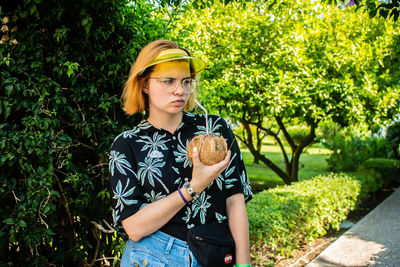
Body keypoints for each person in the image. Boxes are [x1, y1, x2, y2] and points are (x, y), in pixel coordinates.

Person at [109, 40, 253, 267]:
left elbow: (235, 200)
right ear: (145, 84)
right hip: (153, 257)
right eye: (168, 81)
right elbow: (134, 228)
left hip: (214, 254)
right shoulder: (127, 145)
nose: (180, 90)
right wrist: (194, 186)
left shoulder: (214, 129)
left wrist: (244, 264)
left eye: (186, 82)